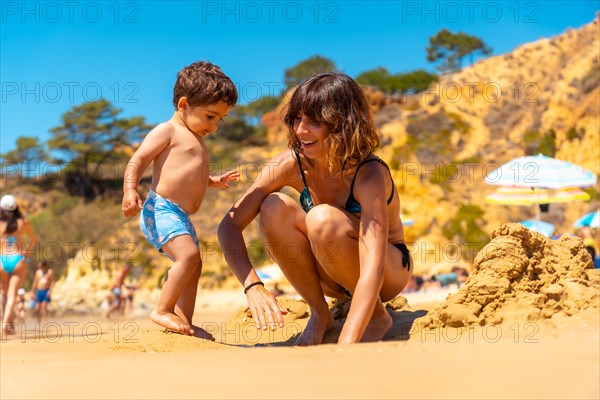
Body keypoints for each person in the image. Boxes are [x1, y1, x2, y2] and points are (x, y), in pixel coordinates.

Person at [218, 73, 413, 345]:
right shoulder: (290, 164)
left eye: (314, 122)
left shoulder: (370, 174)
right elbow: (229, 225)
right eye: (297, 119)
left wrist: (346, 344)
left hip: (387, 271)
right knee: (273, 206)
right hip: (330, 272)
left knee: (322, 219)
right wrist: (253, 285)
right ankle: (320, 314)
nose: (300, 130)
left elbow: (373, 267)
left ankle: (378, 317)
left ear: (342, 123)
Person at [122, 61, 239, 336]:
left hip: (180, 215)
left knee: (193, 265)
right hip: (160, 208)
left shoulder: (195, 137)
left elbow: (188, 176)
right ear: (184, 104)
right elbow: (137, 160)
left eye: (220, 119)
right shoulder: (168, 130)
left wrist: (213, 182)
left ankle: (182, 321)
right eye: (210, 116)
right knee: (188, 256)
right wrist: (129, 190)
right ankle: (162, 309)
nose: (215, 126)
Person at [0, 194, 37, 336]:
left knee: (4, 293)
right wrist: (26, 253)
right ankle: (6, 326)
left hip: (1, 260)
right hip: (17, 259)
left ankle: (8, 325)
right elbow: (33, 240)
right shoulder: (23, 222)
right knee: (12, 296)